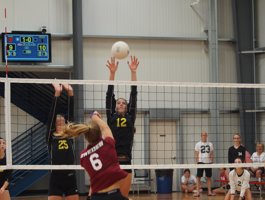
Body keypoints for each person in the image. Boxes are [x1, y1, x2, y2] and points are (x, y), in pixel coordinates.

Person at [63, 111, 129, 200]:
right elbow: (105, 128)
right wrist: (95, 116)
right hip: (113, 195)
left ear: (86, 137)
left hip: (96, 197)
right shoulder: (108, 143)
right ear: (100, 134)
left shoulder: (83, 156)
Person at [105, 56, 139, 197]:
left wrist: (133, 72)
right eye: (118, 102)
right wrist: (112, 73)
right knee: (111, 197)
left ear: (127, 107)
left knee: (124, 197)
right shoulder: (111, 116)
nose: (121, 104)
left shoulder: (131, 117)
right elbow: (109, 95)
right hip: (112, 161)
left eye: (123, 103)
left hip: (126, 161)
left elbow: (134, 94)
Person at [46, 83, 79, 200]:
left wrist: (70, 92)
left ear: (66, 124)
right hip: (56, 177)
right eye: (57, 121)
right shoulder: (51, 136)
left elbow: (70, 113)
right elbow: (52, 115)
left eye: (62, 121)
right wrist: (57, 93)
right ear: (54, 125)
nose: (60, 122)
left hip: (70, 176)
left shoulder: (70, 134)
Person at [193, 131, 215, 197]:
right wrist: (197, 162)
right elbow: (196, 153)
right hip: (200, 162)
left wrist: (212, 161)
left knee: (208, 177)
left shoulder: (210, 144)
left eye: (205, 135)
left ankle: (209, 192)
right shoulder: (198, 144)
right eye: (203, 135)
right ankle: (198, 192)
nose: (204, 136)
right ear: (201, 136)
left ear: (207, 136)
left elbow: (212, 153)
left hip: (208, 162)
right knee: (198, 177)